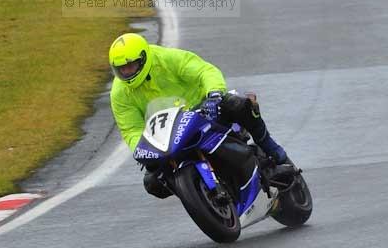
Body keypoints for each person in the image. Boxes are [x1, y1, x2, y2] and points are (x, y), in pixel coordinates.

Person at [109, 32, 290, 199]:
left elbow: (204, 71)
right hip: (168, 136)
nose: (127, 72)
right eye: (121, 69)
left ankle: (271, 148)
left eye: (131, 66)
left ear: (143, 58)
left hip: (203, 110)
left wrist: (214, 95)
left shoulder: (167, 58)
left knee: (238, 105)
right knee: (153, 183)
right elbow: (131, 129)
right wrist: (143, 149)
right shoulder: (119, 93)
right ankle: (197, 196)